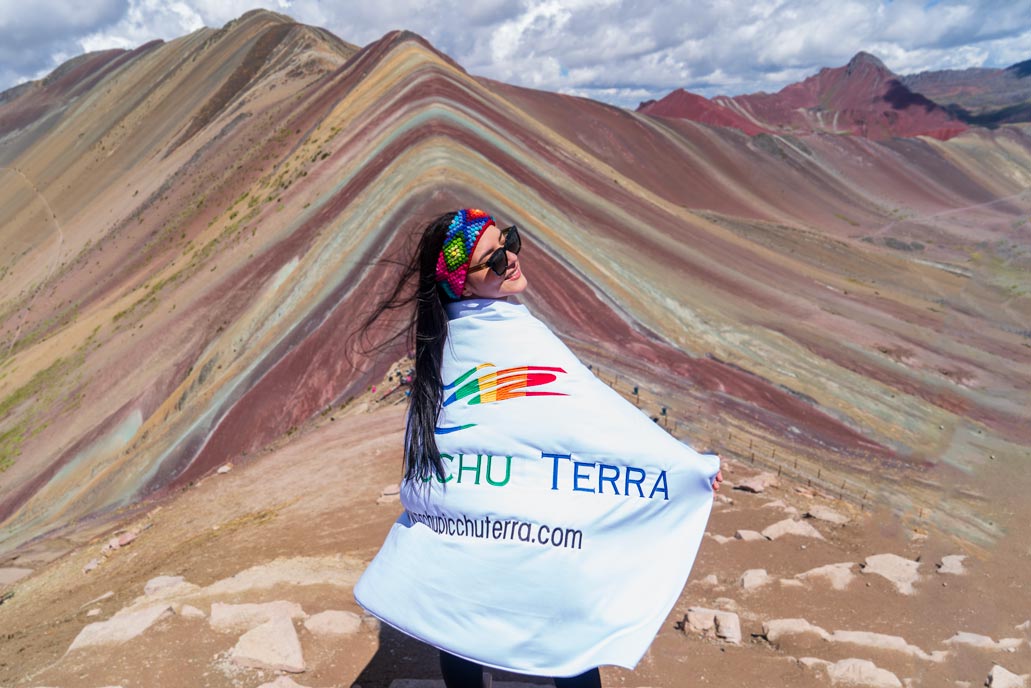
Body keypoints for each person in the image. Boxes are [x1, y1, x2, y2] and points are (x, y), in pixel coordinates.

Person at [354, 208, 723, 688]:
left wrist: (683, 466)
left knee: (457, 624)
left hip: (471, 525)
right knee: (561, 632)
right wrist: (682, 466)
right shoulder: (511, 337)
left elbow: (586, 415)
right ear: (461, 284)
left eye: (508, 241)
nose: (510, 259)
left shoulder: (444, 343)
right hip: (526, 524)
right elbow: (599, 416)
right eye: (492, 260)